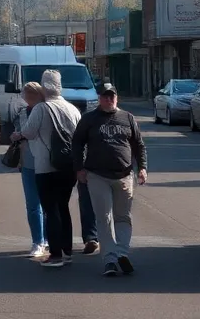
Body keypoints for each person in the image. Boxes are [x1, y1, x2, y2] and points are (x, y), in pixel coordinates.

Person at [72, 83, 148, 277]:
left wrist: (143, 168)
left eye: (112, 96)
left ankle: (122, 253)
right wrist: (79, 168)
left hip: (124, 175)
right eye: (105, 96)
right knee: (104, 218)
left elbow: (139, 144)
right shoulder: (89, 119)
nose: (109, 99)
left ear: (116, 97)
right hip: (97, 175)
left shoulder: (127, 118)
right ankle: (110, 260)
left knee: (123, 217)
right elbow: (77, 143)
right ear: (99, 98)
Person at [20, 69, 82, 268]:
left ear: (44, 86)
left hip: (46, 166)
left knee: (50, 209)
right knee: (63, 207)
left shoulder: (41, 108)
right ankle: (67, 251)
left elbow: (28, 132)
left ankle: (55, 255)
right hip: (69, 165)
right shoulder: (72, 109)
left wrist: (16, 135)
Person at [12, 82, 48, 258]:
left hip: (47, 163)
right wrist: (17, 136)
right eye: (25, 95)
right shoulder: (22, 113)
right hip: (27, 162)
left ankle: (49, 239)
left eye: (29, 94)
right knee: (33, 205)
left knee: (48, 204)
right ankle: (38, 241)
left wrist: (22, 134)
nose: (26, 98)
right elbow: (19, 132)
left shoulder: (46, 110)